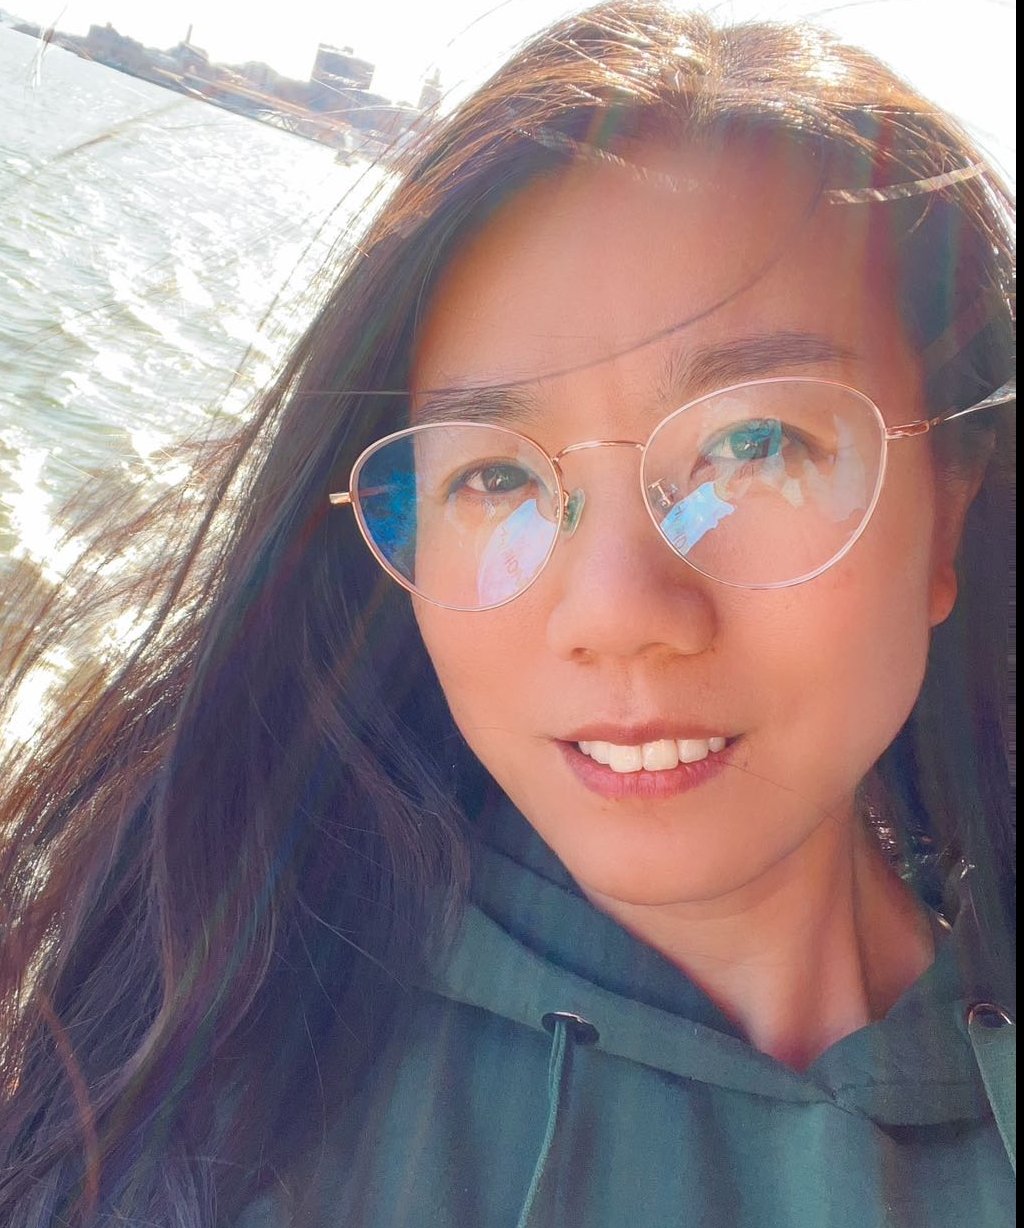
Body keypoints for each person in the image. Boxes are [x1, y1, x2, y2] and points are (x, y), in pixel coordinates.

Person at [0, 3, 1015, 1225]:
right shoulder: (201, 1080)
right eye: (493, 476)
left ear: (948, 509)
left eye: (754, 447)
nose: (615, 613)